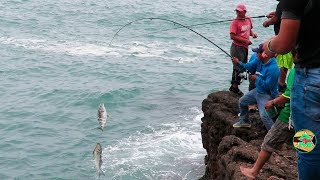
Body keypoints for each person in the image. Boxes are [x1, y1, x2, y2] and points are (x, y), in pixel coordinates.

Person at [262, 0, 320, 179]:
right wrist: (284, 15)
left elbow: (284, 44)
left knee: (307, 146)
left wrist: (269, 46)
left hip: (311, 80)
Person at [239, 57, 296, 179]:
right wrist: (239, 63)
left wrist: (273, 102)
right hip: (307, 117)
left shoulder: (295, 72)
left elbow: (288, 95)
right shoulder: (313, 72)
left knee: (268, 142)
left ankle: (253, 172)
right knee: (304, 148)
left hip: (290, 116)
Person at [232, 44, 280, 130]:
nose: (256, 54)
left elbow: (268, 86)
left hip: (267, 94)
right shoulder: (258, 60)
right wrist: (238, 62)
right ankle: (244, 122)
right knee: (242, 101)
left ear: (264, 54)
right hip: (258, 91)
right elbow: (248, 66)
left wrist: (256, 79)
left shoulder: (274, 69)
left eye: (257, 52)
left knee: (264, 116)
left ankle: (273, 134)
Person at [263, 0, 293, 93]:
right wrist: (276, 13)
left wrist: (267, 22)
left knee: (282, 63)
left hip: (282, 38)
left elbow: (275, 19)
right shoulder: (289, 4)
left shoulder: (282, 3)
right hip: (289, 39)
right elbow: (281, 14)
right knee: (285, 63)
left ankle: (281, 84)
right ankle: (282, 83)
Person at [229, 3, 257, 95]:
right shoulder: (234, 22)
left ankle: (234, 85)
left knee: (242, 66)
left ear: (244, 12)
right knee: (237, 66)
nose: (237, 13)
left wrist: (252, 34)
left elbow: (248, 30)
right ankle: (234, 87)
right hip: (237, 47)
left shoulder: (248, 19)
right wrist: (244, 41)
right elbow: (232, 36)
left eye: (239, 11)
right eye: (236, 11)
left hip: (244, 47)